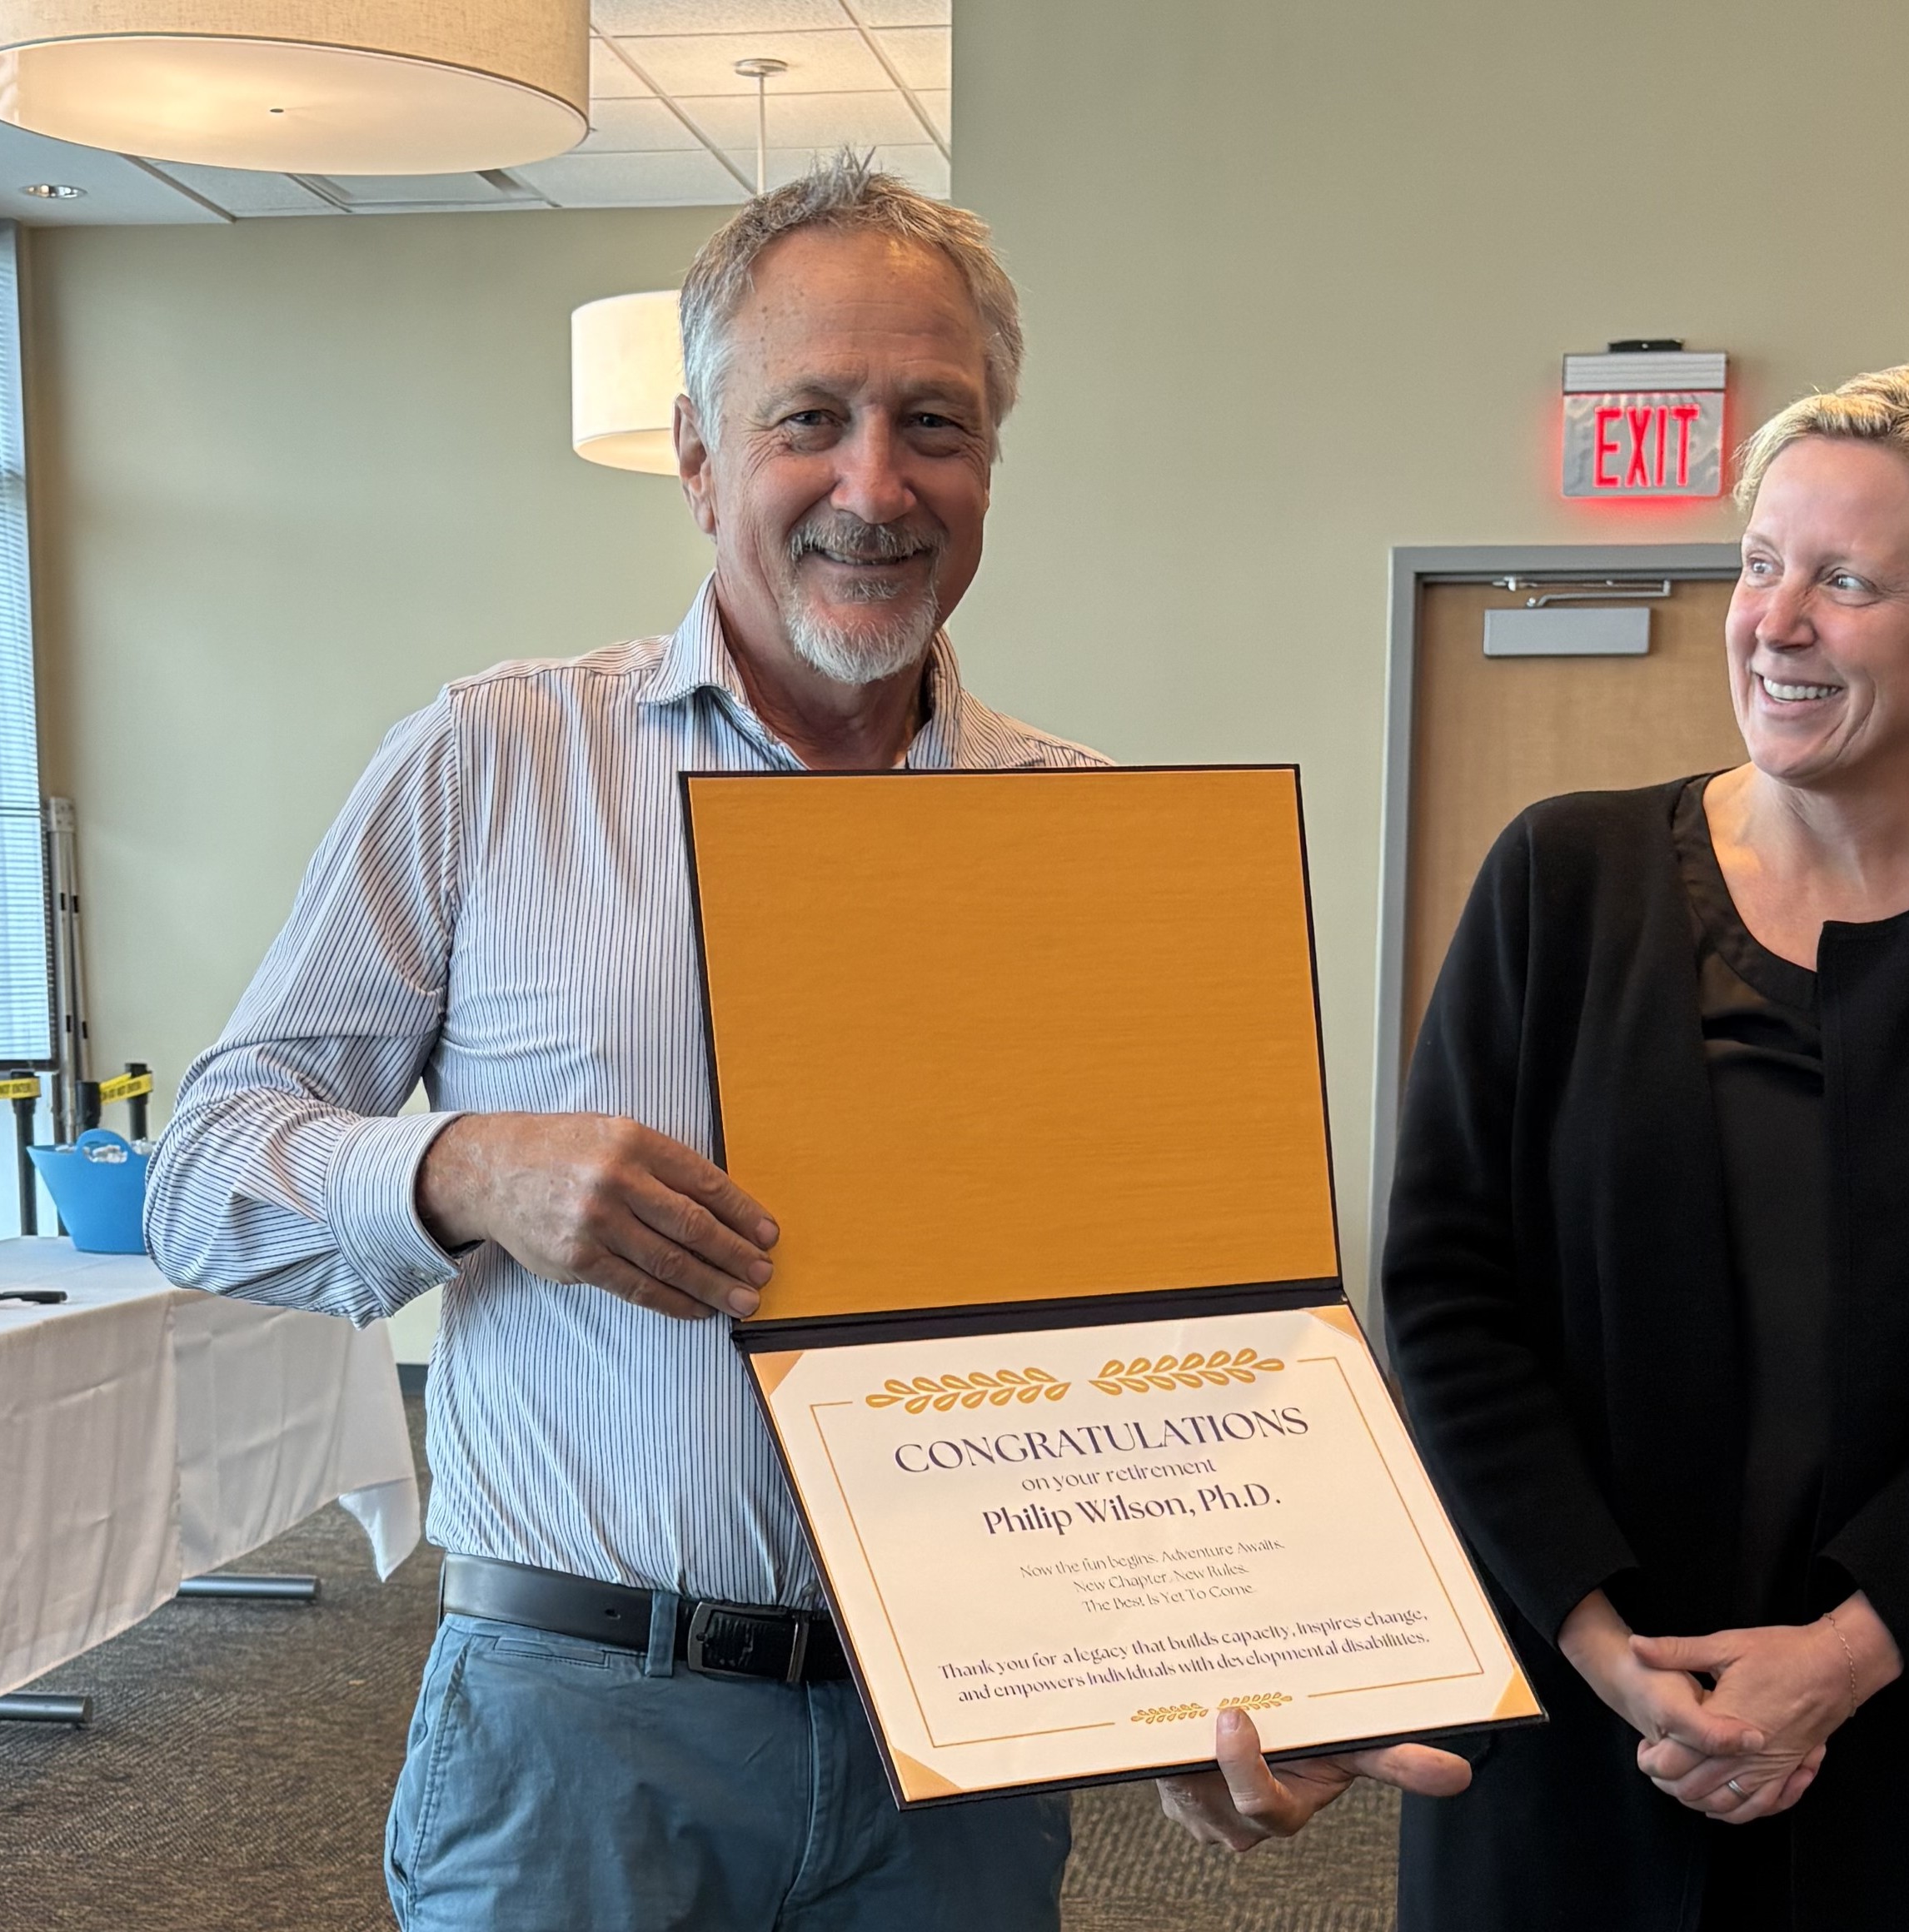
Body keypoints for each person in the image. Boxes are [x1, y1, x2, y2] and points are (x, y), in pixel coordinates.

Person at [144, 153, 1455, 1932]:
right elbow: (208, 1170)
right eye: (806, 417)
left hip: (962, 1748)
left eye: (932, 419)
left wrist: (1204, 1658)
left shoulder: (1084, 834)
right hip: (582, 1733)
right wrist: (462, 1168)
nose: (873, 481)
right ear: (697, 458)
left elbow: (1158, 1314)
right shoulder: (490, 761)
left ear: (990, 461)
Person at [1381, 364, 1909, 1929]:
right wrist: (1605, 1649)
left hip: (1902, 1706)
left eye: (1847, 581)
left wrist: (1846, 1654)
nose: (1775, 620)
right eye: (1758, 563)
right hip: (1570, 1691)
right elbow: (1445, 1289)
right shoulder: (1560, 878)